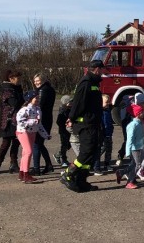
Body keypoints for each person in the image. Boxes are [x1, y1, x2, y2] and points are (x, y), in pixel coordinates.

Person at [61, 60, 104, 193]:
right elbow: (78, 103)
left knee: (91, 154)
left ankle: (81, 181)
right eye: (102, 70)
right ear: (97, 69)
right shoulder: (86, 83)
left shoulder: (94, 83)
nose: (103, 72)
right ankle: (68, 173)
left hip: (93, 123)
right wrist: (71, 117)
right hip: (86, 124)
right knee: (86, 152)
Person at [16, 90, 49, 184]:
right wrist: (33, 121)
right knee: (29, 152)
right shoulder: (25, 109)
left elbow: (39, 124)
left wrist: (45, 135)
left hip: (32, 132)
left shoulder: (38, 109)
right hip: (23, 132)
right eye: (36, 98)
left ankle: (22, 173)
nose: (37, 99)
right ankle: (26, 175)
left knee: (25, 153)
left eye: (38, 98)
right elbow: (20, 121)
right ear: (30, 99)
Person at [0, 69, 24, 174]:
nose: (19, 81)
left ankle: (14, 163)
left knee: (16, 143)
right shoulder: (7, 90)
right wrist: (23, 99)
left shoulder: (17, 89)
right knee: (6, 143)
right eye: (17, 79)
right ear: (11, 79)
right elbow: (15, 103)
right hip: (7, 121)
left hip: (17, 120)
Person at [31, 73, 56, 175]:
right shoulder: (50, 89)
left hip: (42, 120)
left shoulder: (42, 90)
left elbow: (39, 105)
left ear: (43, 80)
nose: (36, 83)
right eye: (35, 81)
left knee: (36, 143)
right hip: (47, 118)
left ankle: (36, 168)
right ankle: (48, 165)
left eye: (38, 80)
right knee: (39, 143)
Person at [115, 105, 144, 190]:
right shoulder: (132, 125)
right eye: (142, 112)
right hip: (134, 148)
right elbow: (129, 139)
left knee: (133, 164)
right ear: (137, 114)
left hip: (139, 147)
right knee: (137, 165)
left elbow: (140, 136)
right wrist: (128, 151)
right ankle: (130, 182)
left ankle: (121, 173)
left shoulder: (140, 123)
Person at [93, 94, 114, 174]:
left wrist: (111, 128)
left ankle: (107, 164)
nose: (108, 103)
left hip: (109, 133)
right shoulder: (99, 112)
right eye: (106, 102)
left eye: (109, 102)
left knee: (109, 149)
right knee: (101, 149)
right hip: (102, 134)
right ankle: (94, 162)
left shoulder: (108, 110)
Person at [55, 95, 72, 168]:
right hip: (63, 131)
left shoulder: (70, 109)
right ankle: (64, 160)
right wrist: (65, 124)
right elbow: (58, 121)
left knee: (69, 144)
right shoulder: (63, 110)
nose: (72, 103)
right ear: (66, 103)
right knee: (64, 144)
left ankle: (58, 154)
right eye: (70, 102)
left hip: (69, 130)